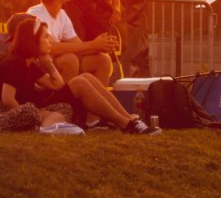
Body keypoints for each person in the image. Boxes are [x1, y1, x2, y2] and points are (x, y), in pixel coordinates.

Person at [0, 14, 160, 135]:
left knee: (86, 78)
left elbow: (58, 85)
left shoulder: (30, 62)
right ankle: (126, 124)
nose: (50, 41)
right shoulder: (16, 62)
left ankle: (130, 120)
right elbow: (7, 99)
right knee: (80, 83)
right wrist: (33, 114)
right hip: (30, 110)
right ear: (33, 40)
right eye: (46, 37)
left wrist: (49, 66)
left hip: (42, 104)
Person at [27, 0, 118, 86]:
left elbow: (79, 46)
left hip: (53, 62)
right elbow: (50, 48)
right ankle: (63, 102)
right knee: (70, 60)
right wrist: (93, 44)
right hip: (39, 67)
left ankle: (93, 102)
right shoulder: (35, 14)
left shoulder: (62, 15)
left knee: (103, 60)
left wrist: (101, 46)